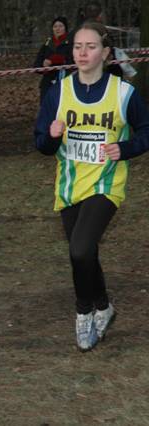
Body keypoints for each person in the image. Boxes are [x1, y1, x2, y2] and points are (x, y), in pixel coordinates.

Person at [34, 21, 149, 352]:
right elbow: (41, 144)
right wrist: (53, 137)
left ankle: (84, 314)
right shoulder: (59, 92)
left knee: (80, 249)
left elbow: (145, 131)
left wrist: (124, 149)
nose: (83, 53)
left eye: (91, 47)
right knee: (85, 254)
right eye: (78, 47)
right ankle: (104, 305)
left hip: (106, 183)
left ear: (106, 52)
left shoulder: (124, 93)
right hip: (69, 186)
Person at [33, 17, 72, 103]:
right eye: (55, 26)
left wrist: (57, 60)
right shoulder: (47, 43)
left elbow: (74, 61)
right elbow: (36, 64)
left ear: (65, 28)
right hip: (48, 82)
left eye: (60, 26)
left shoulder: (71, 43)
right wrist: (43, 65)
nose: (58, 29)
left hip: (66, 81)